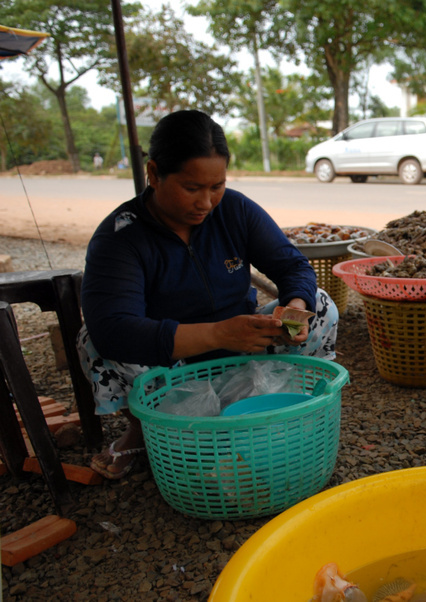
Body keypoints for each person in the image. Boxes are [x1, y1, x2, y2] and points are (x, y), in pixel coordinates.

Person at [77, 109, 338, 479]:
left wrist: (294, 308)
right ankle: (142, 427)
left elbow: (293, 266)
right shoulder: (121, 238)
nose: (206, 203)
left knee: (321, 305)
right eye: (192, 188)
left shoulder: (234, 210)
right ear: (153, 174)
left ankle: (286, 408)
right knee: (94, 340)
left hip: (244, 349)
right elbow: (114, 329)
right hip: (174, 367)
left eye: (217, 186)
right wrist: (218, 333)